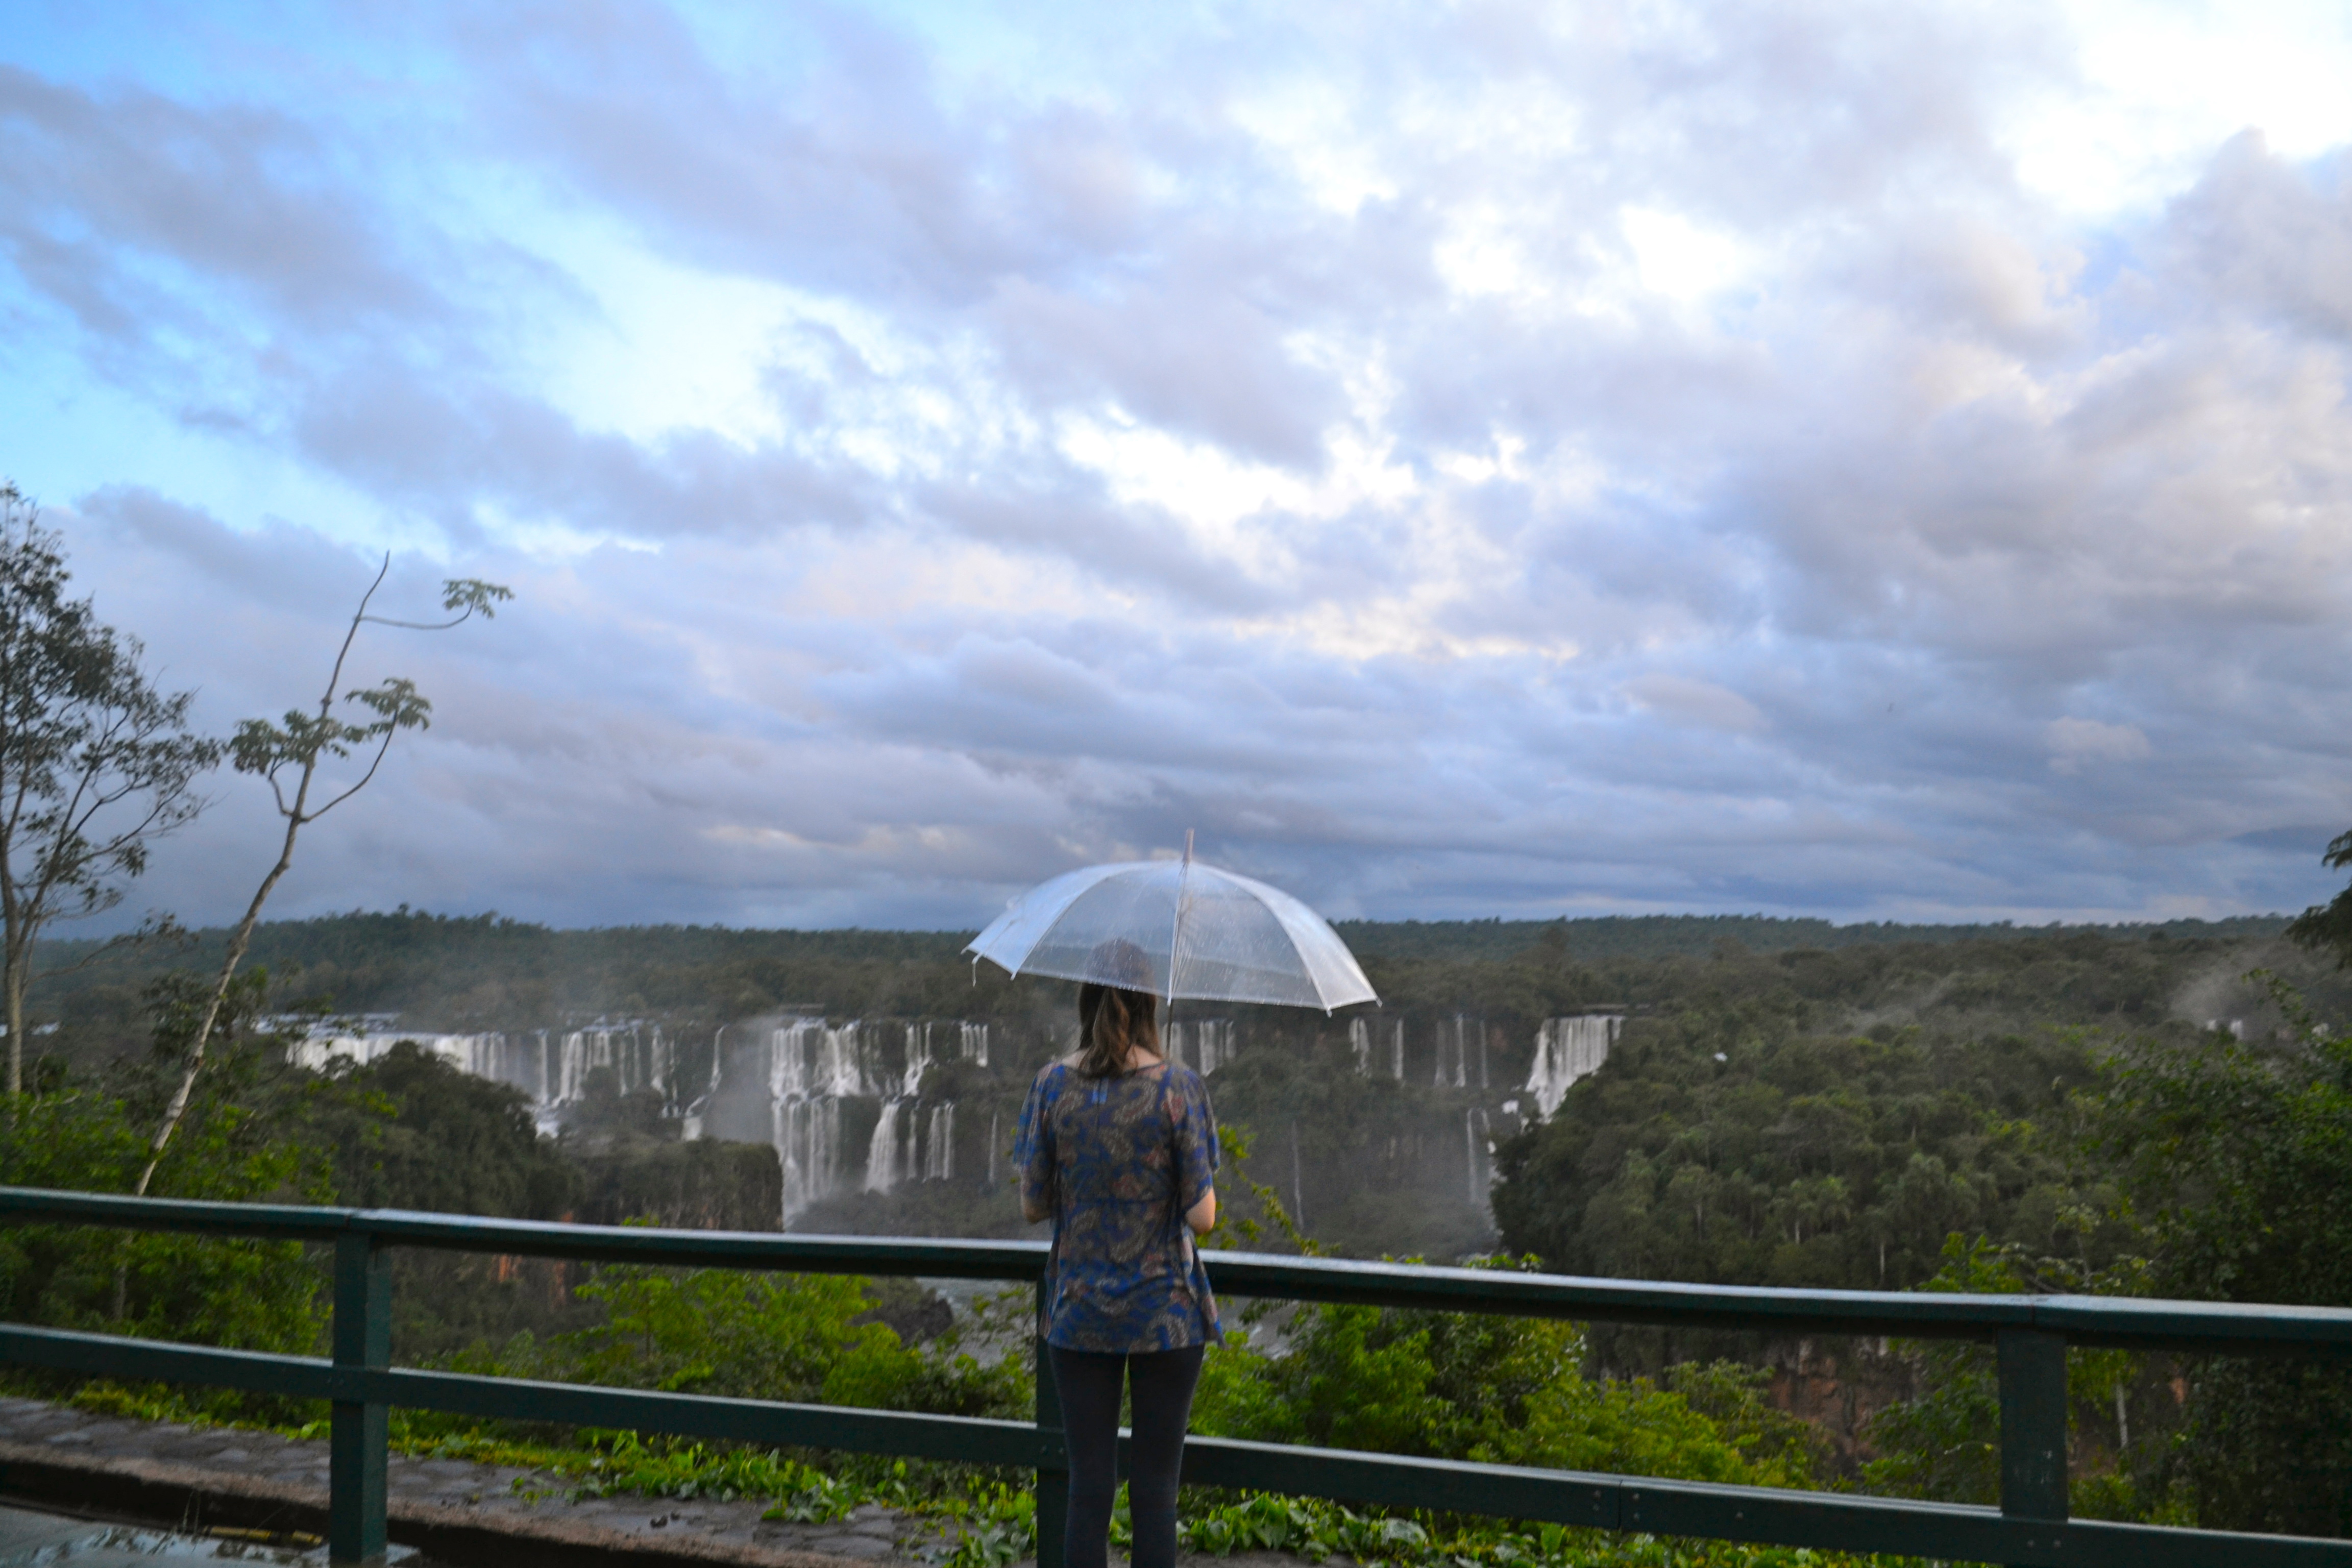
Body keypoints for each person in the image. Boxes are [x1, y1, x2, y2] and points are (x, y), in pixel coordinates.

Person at [1015, 951, 1220, 1568]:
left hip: (1079, 1310)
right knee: (1155, 1492)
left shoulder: (1052, 1084)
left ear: (1087, 1000)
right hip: (1165, 1313)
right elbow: (1203, 1217)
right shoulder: (1179, 1087)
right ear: (1150, 1004)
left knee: (1088, 1489)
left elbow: (1032, 1205)